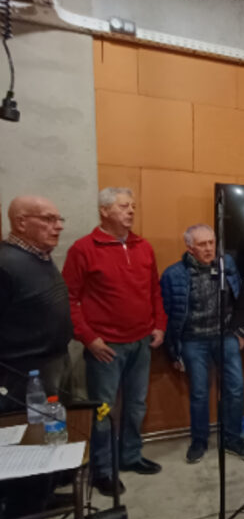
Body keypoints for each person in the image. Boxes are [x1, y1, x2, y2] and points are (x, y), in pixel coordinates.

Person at [63, 188, 167, 496]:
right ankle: (103, 470)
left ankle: (131, 456)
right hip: (105, 346)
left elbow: (154, 291)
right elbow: (68, 298)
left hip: (141, 342)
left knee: (136, 405)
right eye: (124, 206)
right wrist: (88, 338)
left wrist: (159, 325)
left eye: (133, 206)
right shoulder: (83, 249)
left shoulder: (143, 247)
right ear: (105, 211)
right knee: (103, 411)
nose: (131, 211)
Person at [160, 224, 244, 464]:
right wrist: (174, 353)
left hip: (226, 336)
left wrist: (243, 332)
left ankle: (232, 438)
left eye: (212, 242)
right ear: (190, 247)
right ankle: (199, 441)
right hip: (193, 340)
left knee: (235, 388)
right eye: (202, 244)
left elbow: (242, 299)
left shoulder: (226, 265)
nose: (209, 248)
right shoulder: (174, 274)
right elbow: (168, 315)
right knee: (199, 392)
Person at [0, 196, 73, 413]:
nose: (58, 226)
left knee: (60, 426)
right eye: (49, 219)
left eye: (59, 219)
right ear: (21, 222)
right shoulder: (5, 264)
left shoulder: (40, 255)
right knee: (35, 430)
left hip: (56, 360)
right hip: (24, 374)